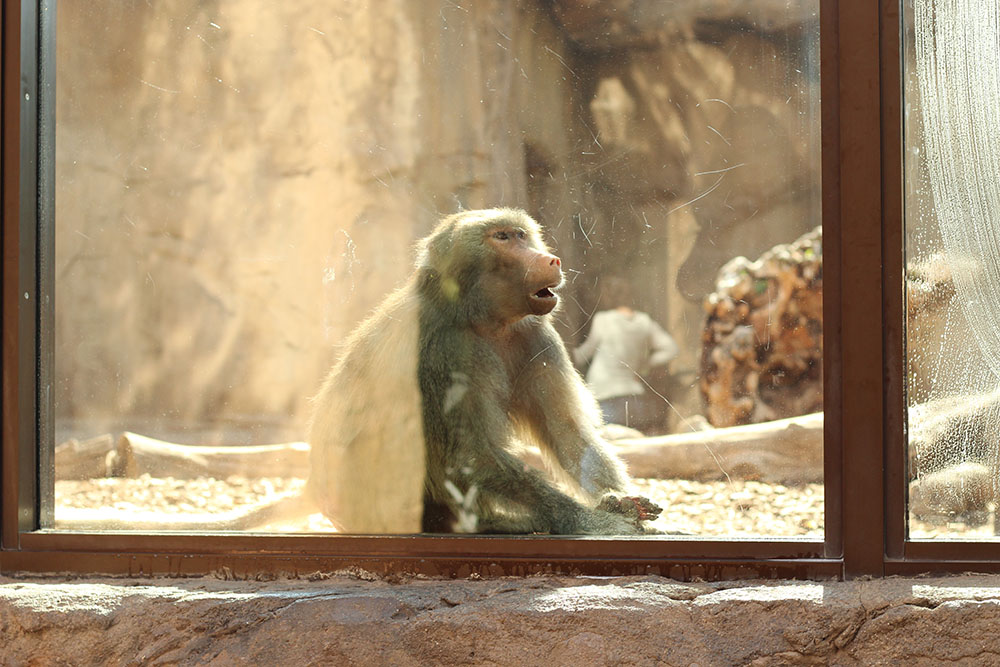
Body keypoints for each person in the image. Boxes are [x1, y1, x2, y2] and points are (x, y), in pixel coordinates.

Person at [573, 277, 678, 431]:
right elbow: (671, 349)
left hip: (604, 397)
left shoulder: (603, 319)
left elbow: (583, 355)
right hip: (634, 399)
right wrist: (645, 364)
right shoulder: (644, 321)